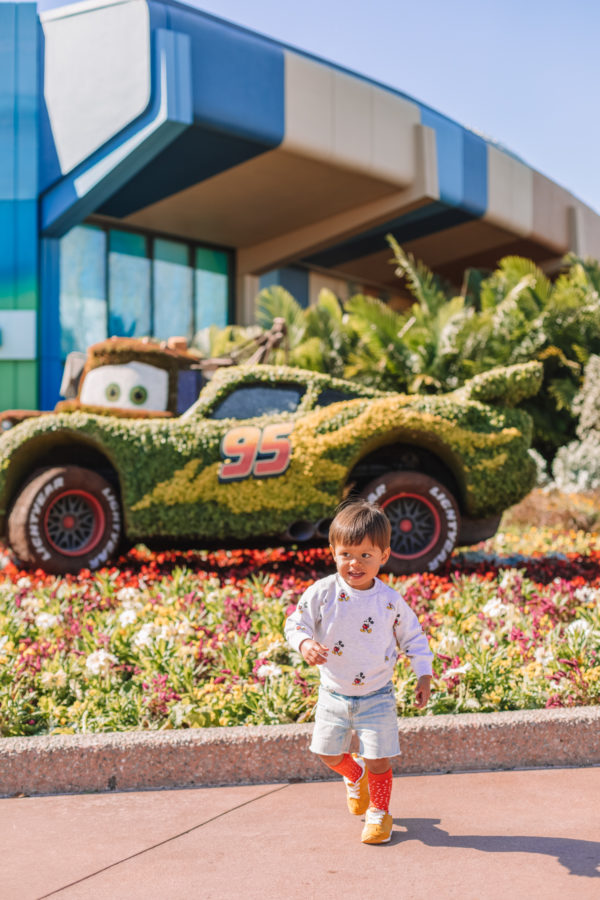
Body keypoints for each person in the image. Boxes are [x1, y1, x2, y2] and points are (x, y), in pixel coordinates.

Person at [284, 499, 433, 844]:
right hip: (333, 693)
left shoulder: (390, 601)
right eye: (347, 554)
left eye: (366, 555)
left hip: (377, 696)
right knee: (327, 753)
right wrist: (305, 643)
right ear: (333, 552)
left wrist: (422, 674)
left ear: (384, 555)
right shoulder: (323, 593)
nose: (355, 563)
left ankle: (379, 814)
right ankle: (355, 774)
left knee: (379, 758)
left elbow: (413, 637)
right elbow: (296, 622)